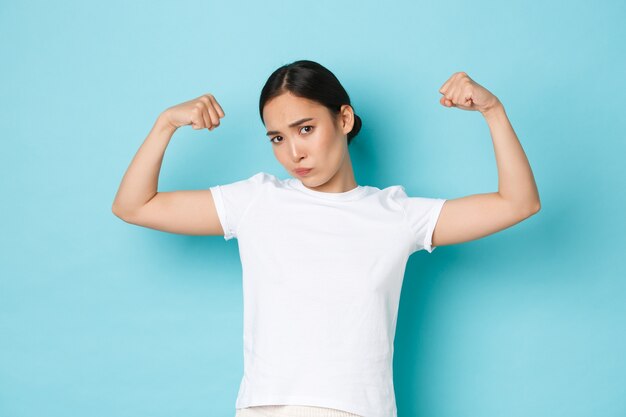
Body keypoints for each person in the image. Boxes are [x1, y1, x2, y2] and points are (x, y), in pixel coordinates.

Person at [112, 60, 541, 417]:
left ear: (344, 119)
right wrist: (165, 123)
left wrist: (494, 111)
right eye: (277, 138)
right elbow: (134, 206)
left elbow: (518, 203)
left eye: (305, 129)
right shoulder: (257, 201)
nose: (293, 153)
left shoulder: (395, 215)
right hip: (266, 408)